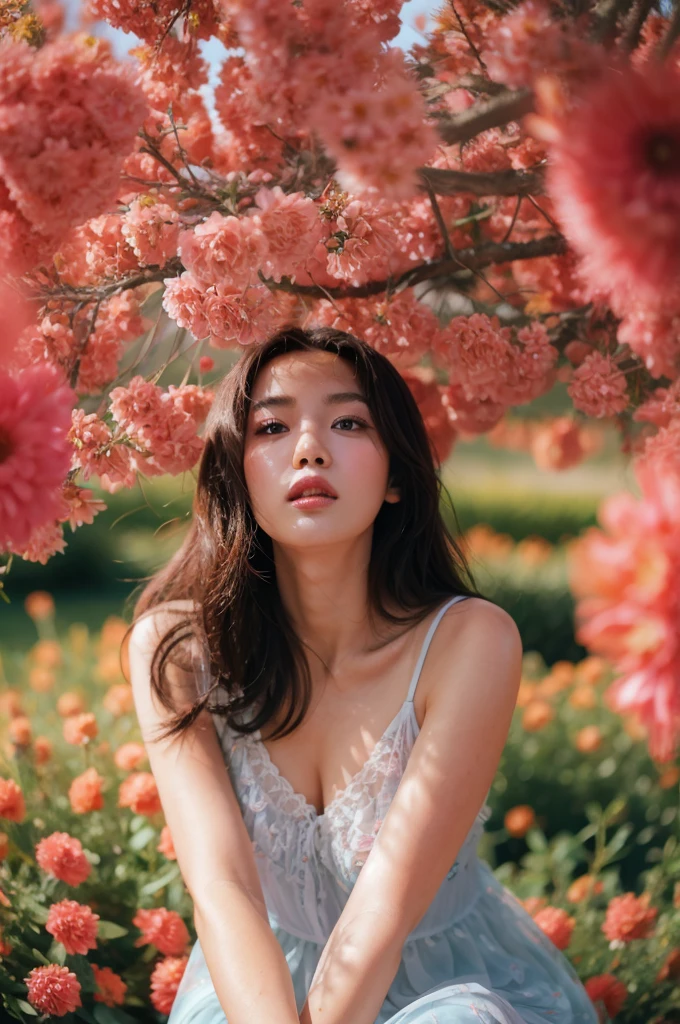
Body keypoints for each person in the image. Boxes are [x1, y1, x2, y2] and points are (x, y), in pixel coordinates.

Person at [125, 327, 599, 1024]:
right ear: (236, 469)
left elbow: (384, 909)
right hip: (256, 988)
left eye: (348, 422)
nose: (310, 446)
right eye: (272, 425)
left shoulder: (468, 642)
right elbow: (223, 887)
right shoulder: (176, 650)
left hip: (441, 986)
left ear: (398, 476)